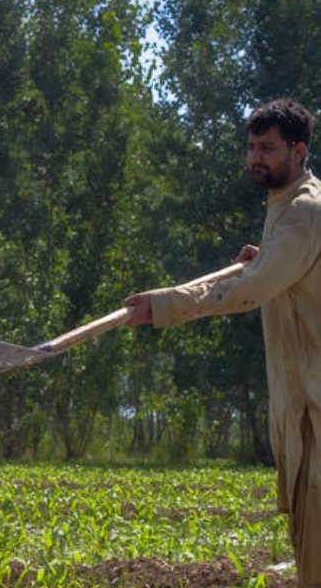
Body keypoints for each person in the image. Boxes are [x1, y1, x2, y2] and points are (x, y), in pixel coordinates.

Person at [124, 98, 321, 588]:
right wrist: (268, 258)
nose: (256, 158)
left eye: (268, 149)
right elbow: (286, 274)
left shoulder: (303, 212)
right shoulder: (285, 209)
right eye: (252, 147)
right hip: (299, 409)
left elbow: (251, 292)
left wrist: (167, 305)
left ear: (298, 151)